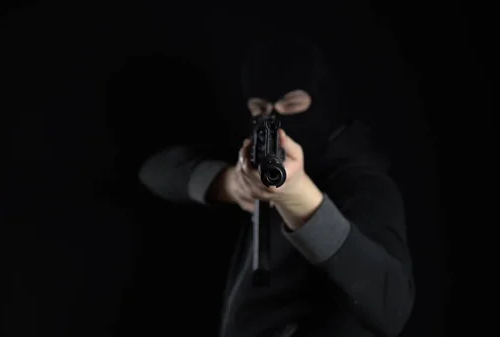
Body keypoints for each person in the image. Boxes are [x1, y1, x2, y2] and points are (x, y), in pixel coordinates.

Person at [138, 35, 415, 337]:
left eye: (291, 104)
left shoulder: (361, 182)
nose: (273, 120)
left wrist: (301, 201)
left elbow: (391, 305)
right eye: (260, 110)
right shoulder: (249, 163)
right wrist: (230, 183)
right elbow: (156, 171)